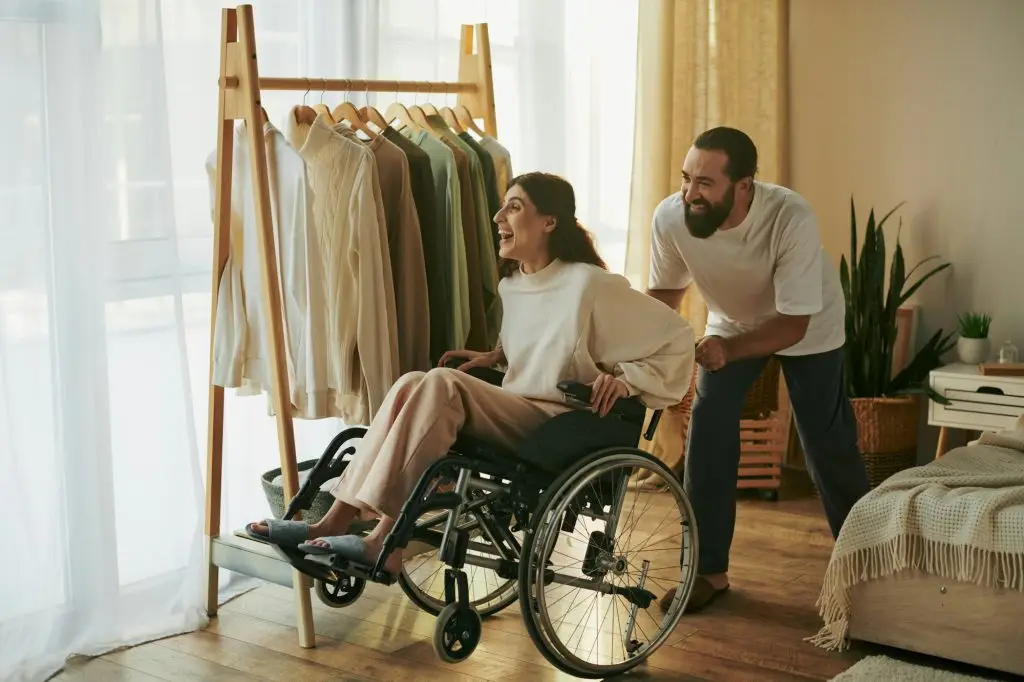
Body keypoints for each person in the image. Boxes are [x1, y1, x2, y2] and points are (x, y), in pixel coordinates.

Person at [247, 171, 696, 578]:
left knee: (442, 385)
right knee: (411, 382)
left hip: (560, 423)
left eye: (515, 206)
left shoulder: (589, 284)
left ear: (549, 222)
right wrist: (497, 355)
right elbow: (549, 343)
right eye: (503, 206)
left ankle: (384, 539)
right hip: (520, 407)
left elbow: (677, 337)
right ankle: (333, 521)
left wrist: (629, 379)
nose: (499, 216)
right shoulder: (514, 284)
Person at [646, 127, 870, 613]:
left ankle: (867, 569)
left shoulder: (789, 216)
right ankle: (706, 571)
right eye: (686, 179)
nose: (690, 194)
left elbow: (792, 323)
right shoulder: (671, 217)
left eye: (705, 183)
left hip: (807, 324)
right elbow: (664, 296)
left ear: (743, 186)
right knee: (707, 428)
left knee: (826, 442)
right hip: (731, 321)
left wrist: (730, 349)